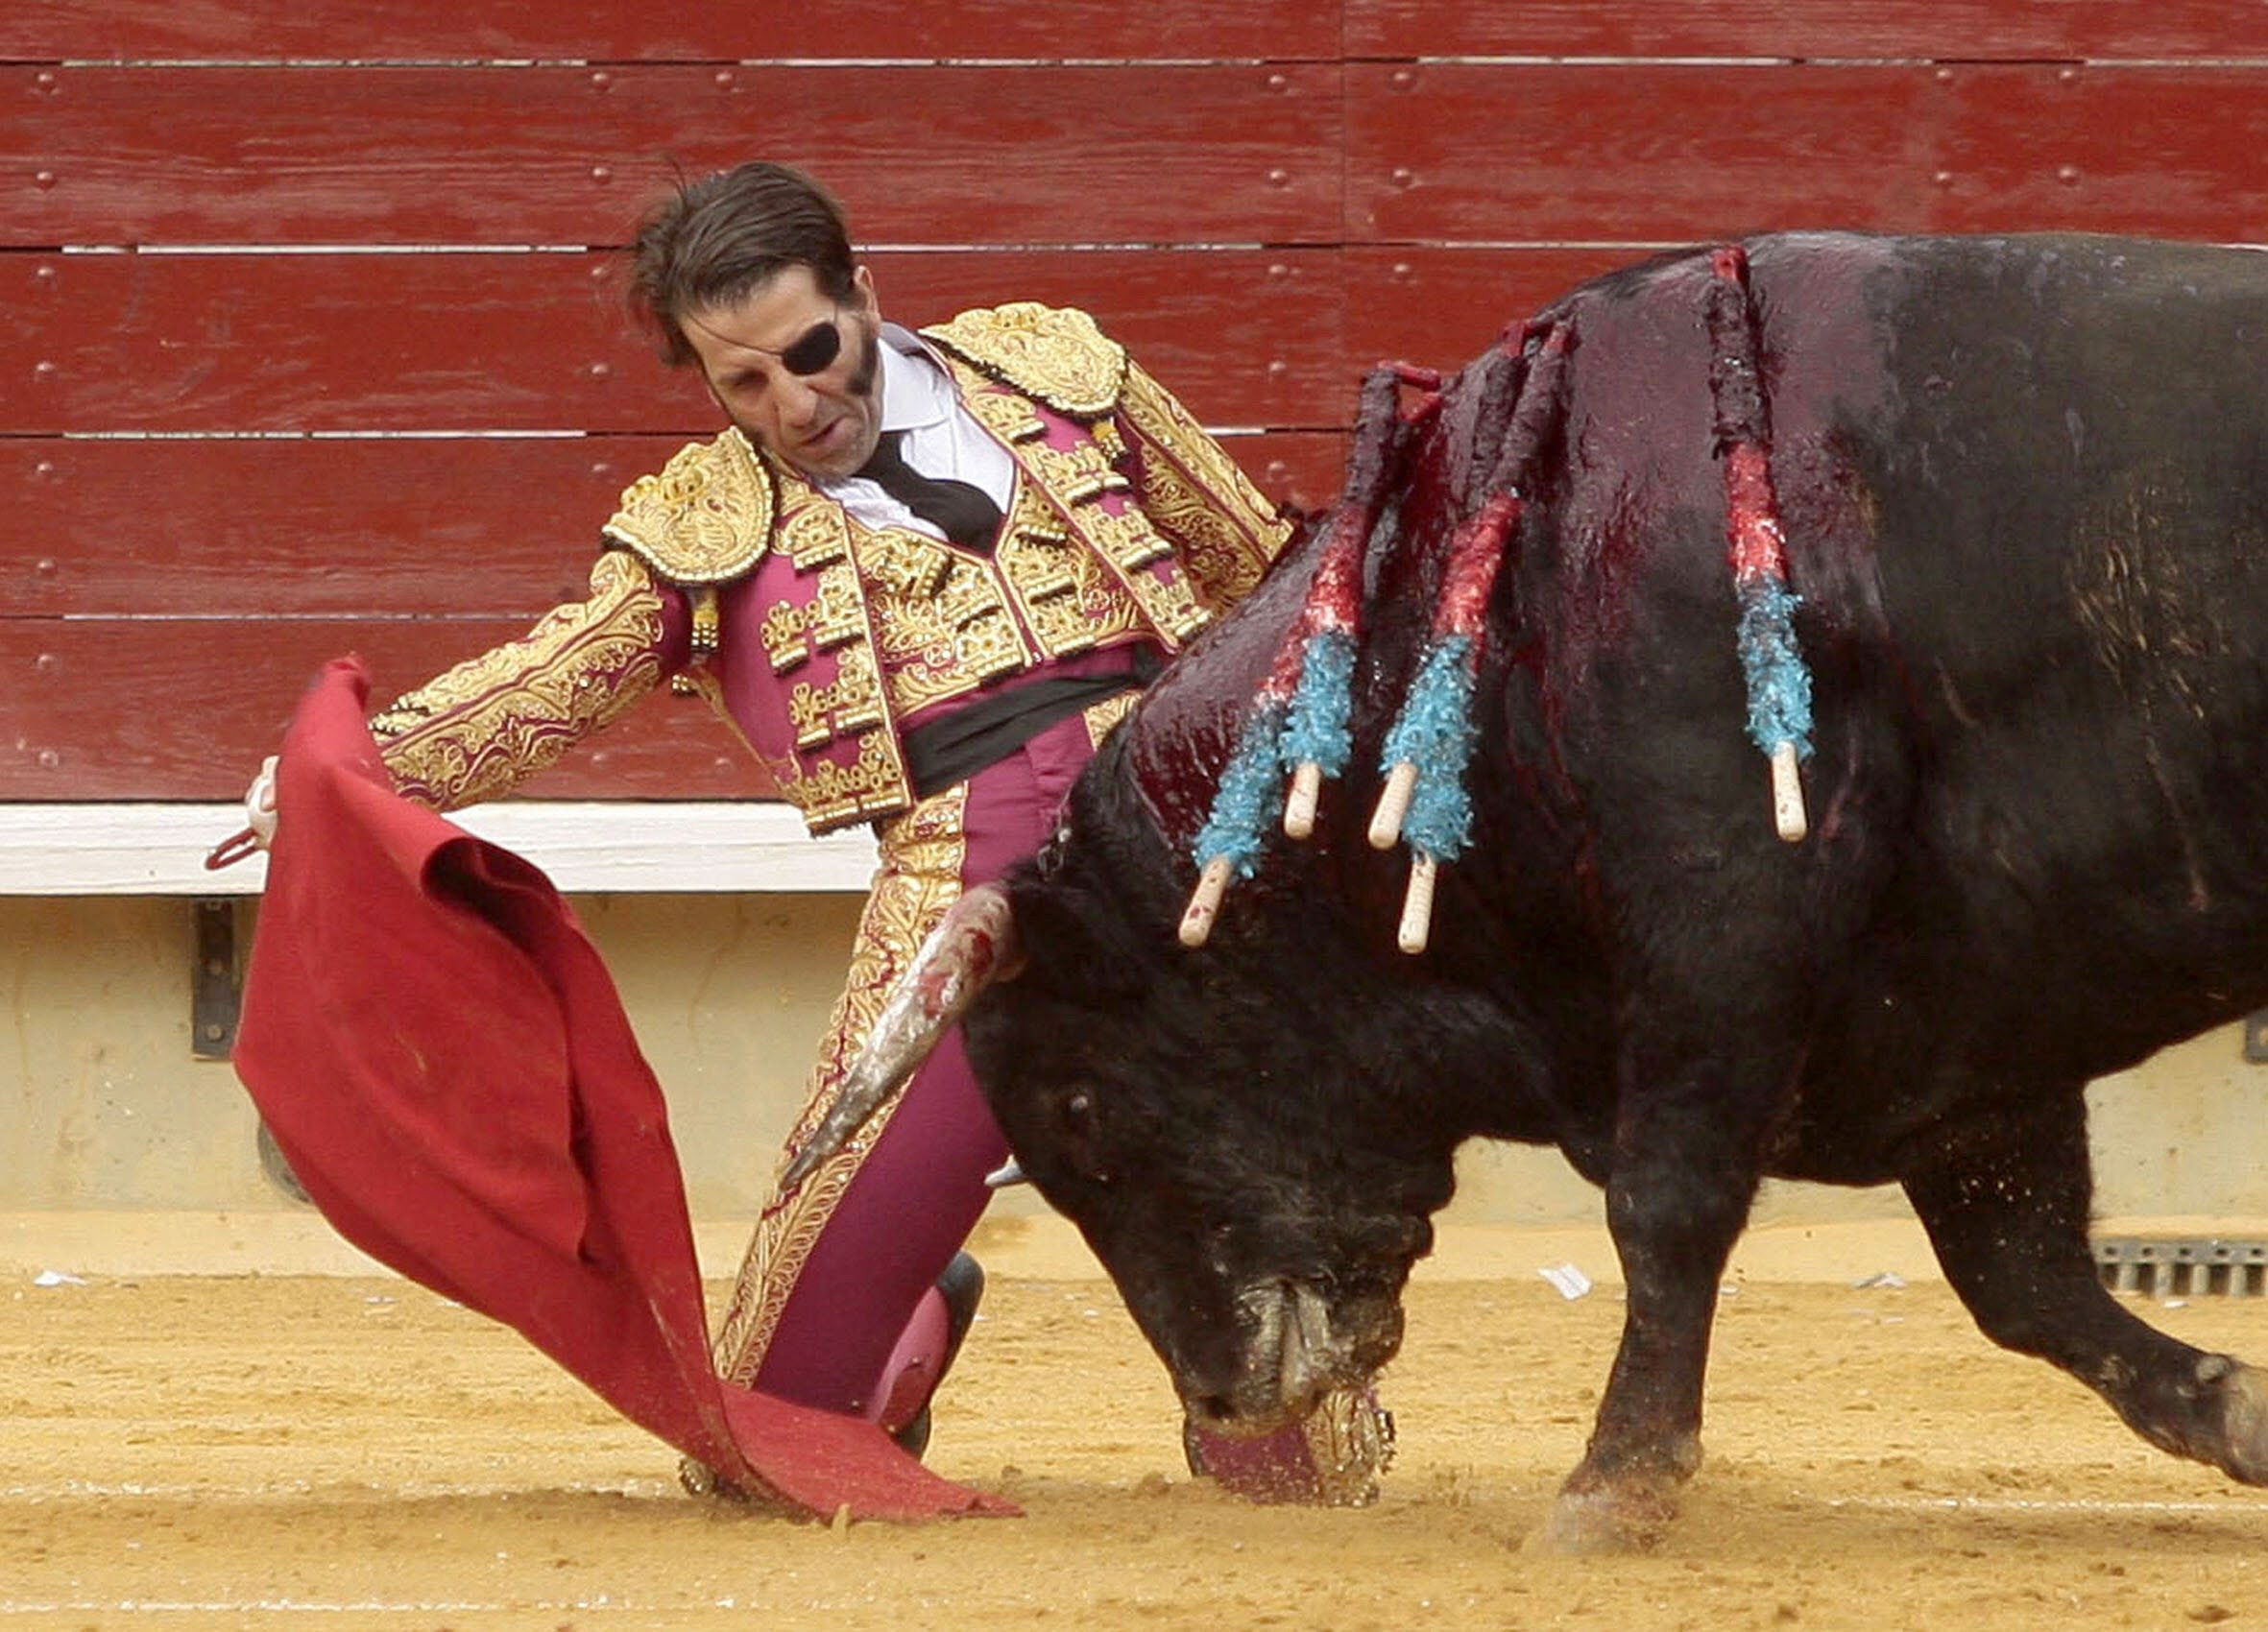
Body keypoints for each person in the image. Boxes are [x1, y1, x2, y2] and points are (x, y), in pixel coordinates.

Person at [239, 160, 1389, 1505]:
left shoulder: (1054, 374)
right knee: (772, 1429)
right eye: (745, 386)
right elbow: (559, 675)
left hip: (1182, 847)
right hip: (965, 878)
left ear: (865, 294)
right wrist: (344, 770)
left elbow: (1259, 571)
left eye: (811, 355)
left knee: (1296, 1456)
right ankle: (909, 1337)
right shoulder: (709, 520)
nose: (796, 406)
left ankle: (1257, 1411)